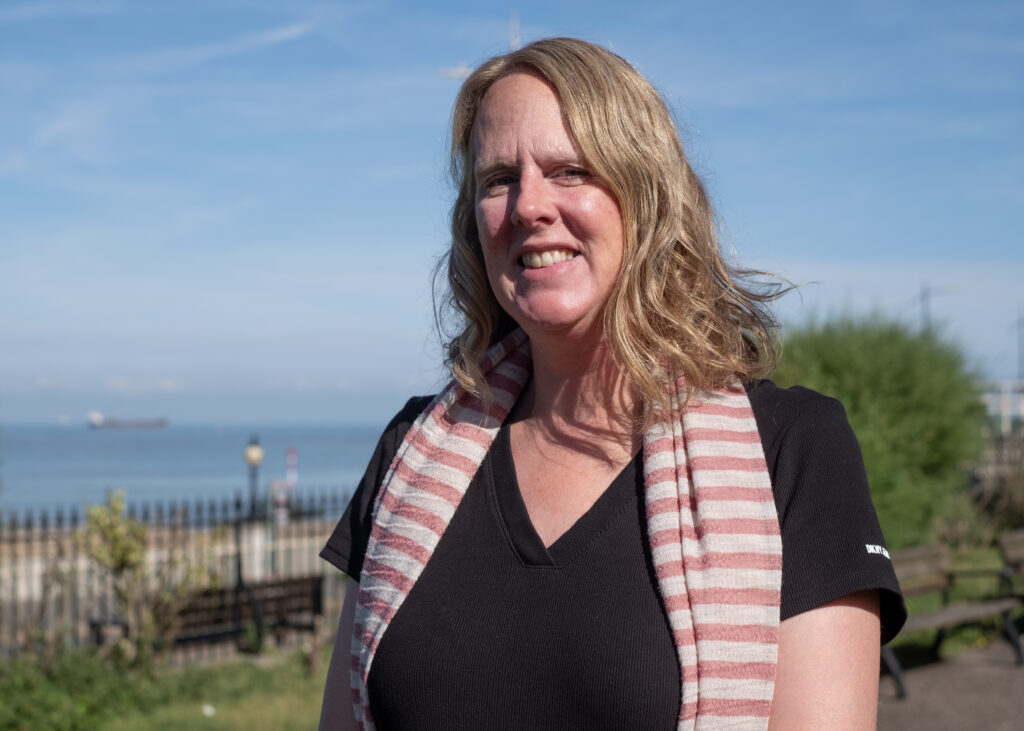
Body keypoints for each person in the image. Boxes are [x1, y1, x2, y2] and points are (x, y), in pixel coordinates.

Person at [319, 37, 905, 730]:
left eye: (570, 170)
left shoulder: (793, 450)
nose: (529, 205)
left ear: (645, 195)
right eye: (498, 178)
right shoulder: (411, 450)